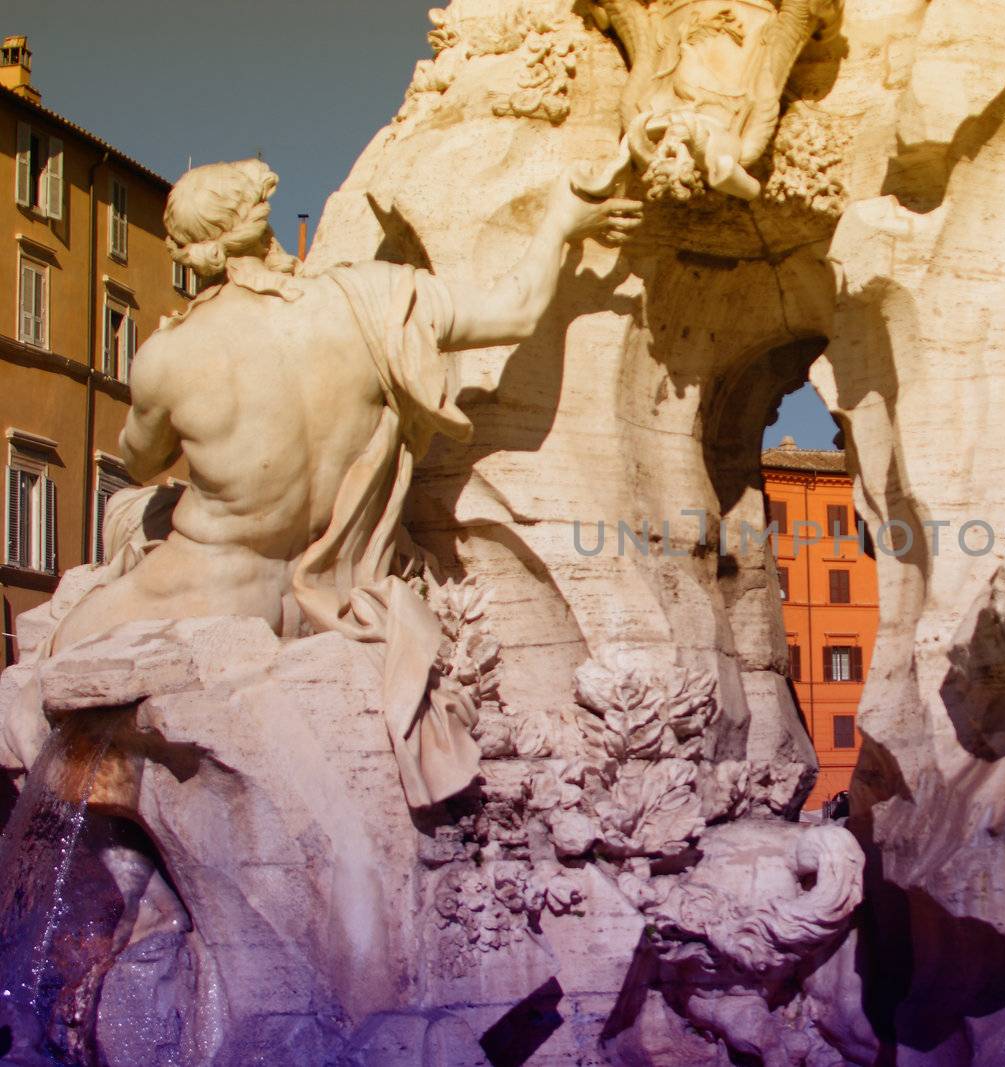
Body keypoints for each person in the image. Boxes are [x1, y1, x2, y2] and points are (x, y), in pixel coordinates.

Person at [46, 155, 642, 805]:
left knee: (61, 648)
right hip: (324, 597)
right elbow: (516, 310)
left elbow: (136, 459)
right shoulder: (373, 301)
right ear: (261, 225)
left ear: (192, 254)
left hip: (211, 590)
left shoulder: (172, 354)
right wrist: (562, 219)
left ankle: (117, 831)